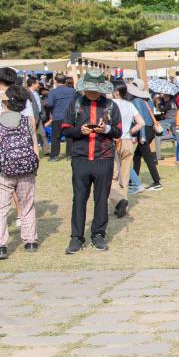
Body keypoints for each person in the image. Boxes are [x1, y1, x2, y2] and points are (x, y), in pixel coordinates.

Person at [61, 70, 122, 253]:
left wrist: (105, 129)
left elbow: (118, 132)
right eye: (88, 90)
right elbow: (65, 129)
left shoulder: (111, 106)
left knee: (101, 198)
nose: (91, 93)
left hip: (103, 157)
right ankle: (76, 238)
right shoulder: (76, 103)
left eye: (95, 90)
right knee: (79, 198)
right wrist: (80, 131)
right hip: (80, 157)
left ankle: (98, 234)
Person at [0, 86, 39, 259]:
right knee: (27, 205)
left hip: (2, 170)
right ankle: (30, 241)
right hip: (27, 169)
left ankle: (0, 247)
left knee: (0, 209)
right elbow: (34, 145)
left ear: (6, 103)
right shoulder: (28, 120)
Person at [107, 82, 144, 219]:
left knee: (112, 175)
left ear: (116, 92)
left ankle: (118, 201)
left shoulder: (110, 104)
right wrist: (130, 131)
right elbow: (141, 122)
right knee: (125, 175)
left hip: (114, 141)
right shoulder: (130, 104)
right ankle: (124, 204)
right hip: (128, 141)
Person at [128, 80, 163, 191]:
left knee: (147, 157)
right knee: (137, 156)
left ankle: (156, 181)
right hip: (149, 129)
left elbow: (141, 120)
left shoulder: (136, 100)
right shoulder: (147, 99)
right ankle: (133, 180)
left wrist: (142, 136)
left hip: (143, 130)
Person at [46, 74, 76, 161]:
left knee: (55, 137)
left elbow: (50, 104)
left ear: (55, 81)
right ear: (65, 81)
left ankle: (54, 156)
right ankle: (69, 155)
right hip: (69, 116)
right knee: (69, 136)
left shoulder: (52, 92)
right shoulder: (72, 91)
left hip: (57, 116)